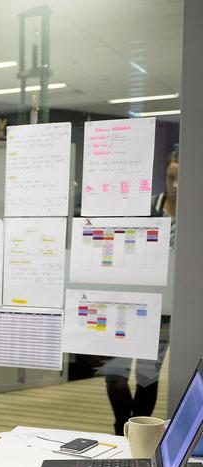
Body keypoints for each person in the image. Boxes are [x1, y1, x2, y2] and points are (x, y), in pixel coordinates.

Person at [102, 148, 177, 434]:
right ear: (164, 176)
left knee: (148, 375)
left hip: (163, 309)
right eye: (171, 177)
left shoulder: (195, 215)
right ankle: (123, 427)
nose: (176, 184)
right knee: (114, 373)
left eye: (181, 178)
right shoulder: (148, 209)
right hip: (127, 303)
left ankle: (138, 431)